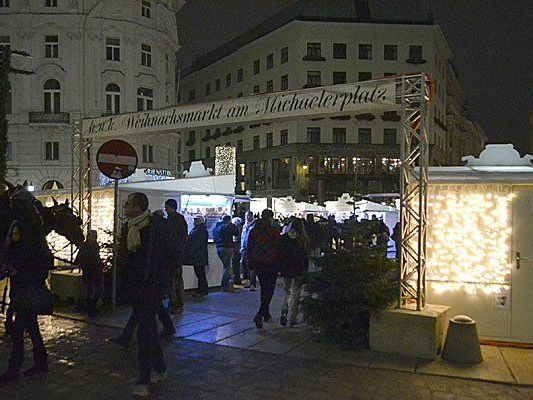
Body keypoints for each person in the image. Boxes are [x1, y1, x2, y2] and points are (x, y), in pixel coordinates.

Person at [117, 193, 169, 397]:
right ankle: (161, 368)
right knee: (148, 330)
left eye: (128, 205)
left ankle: (144, 378)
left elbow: (163, 259)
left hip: (149, 288)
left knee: (144, 332)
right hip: (135, 288)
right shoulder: (129, 227)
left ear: (138, 207)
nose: (125, 208)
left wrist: (156, 283)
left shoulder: (154, 229)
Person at [0, 223, 50, 383]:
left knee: (17, 332)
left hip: (25, 298)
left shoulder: (25, 254)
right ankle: (41, 362)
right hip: (24, 298)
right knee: (33, 330)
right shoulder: (27, 251)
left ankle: (14, 369)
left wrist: (17, 272)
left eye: (15, 234)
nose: (13, 237)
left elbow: (29, 274)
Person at [246, 209, 280, 329]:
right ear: (270, 218)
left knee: (264, 288)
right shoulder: (273, 231)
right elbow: (278, 248)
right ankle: (260, 314)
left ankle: (265, 313)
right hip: (271, 262)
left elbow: (249, 247)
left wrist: (249, 262)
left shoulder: (254, 230)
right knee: (269, 289)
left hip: (257, 262)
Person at [279, 218, 310, 327]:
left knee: (287, 291)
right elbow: (306, 257)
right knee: (296, 293)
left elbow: (280, 253)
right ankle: (293, 317)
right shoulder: (304, 239)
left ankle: (284, 311)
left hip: (286, 268)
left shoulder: (284, 238)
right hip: (298, 268)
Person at [164, 199, 188, 314]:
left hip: (174, 255)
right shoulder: (178, 219)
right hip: (175, 255)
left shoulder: (175, 220)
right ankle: (176, 302)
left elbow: (176, 238)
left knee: (174, 280)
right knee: (175, 279)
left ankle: (175, 303)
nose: (165, 209)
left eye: (166, 207)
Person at [74, 230, 104, 318]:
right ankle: (91, 310)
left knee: (98, 290)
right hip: (89, 273)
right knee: (91, 292)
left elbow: (96, 259)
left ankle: (92, 308)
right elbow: (79, 259)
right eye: (91, 237)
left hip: (96, 272)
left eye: (94, 237)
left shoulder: (95, 247)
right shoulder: (85, 247)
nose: (92, 239)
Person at [212, 215, 239, 292]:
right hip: (227, 248)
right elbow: (236, 232)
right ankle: (225, 285)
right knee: (227, 267)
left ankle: (228, 285)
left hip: (218, 248)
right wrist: (233, 225)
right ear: (228, 220)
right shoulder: (226, 227)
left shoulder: (216, 227)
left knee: (226, 266)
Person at [185, 215, 209, 297]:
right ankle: (202, 290)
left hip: (198, 256)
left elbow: (193, 242)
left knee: (200, 274)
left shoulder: (198, 231)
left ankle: (202, 290)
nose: (194, 222)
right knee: (201, 274)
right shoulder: (202, 230)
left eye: (195, 220)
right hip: (200, 255)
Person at [240, 211, 257, 291]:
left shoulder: (255, 225)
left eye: (248, 216)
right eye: (245, 216)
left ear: (251, 216)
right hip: (244, 248)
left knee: (251, 266)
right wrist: (242, 246)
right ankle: (247, 282)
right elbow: (243, 237)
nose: (246, 217)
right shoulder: (244, 225)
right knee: (245, 265)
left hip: (252, 248)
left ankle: (252, 283)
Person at [231, 217, 243, 285]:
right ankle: (237, 279)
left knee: (235, 264)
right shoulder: (241, 228)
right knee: (237, 265)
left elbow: (236, 239)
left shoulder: (235, 229)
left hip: (235, 248)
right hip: (238, 248)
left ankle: (236, 279)